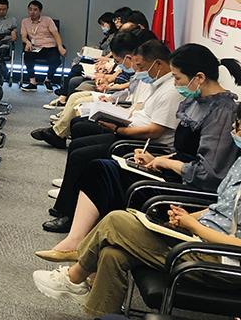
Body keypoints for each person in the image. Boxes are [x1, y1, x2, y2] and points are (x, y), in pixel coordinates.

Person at [32, 112, 241, 317]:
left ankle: (74, 276)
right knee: (113, 255)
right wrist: (187, 217)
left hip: (218, 260)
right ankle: (100, 312)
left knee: (116, 221)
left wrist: (195, 226)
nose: (233, 130)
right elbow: (221, 207)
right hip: (198, 237)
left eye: (238, 126)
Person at [41, 43, 241, 255]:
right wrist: (154, 158)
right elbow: (186, 150)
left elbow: (208, 174)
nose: (175, 84)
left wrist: (167, 163)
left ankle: (81, 247)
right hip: (176, 172)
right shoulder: (198, 101)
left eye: (177, 78)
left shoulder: (222, 112)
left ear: (199, 78)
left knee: (104, 172)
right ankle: (77, 241)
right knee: (100, 168)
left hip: (191, 187)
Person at [36, 40, 183, 246]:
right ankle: (66, 202)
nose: (138, 71)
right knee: (78, 142)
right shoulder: (158, 83)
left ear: (158, 64)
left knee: (82, 154)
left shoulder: (170, 90)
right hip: (131, 131)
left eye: (141, 66)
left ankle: (68, 214)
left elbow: (155, 131)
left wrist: (118, 129)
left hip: (140, 142)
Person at [33, 32, 143, 148]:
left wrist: (111, 95)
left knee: (79, 102)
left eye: (117, 61)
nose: (117, 64)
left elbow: (131, 94)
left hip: (122, 103)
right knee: (75, 97)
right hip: (116, 96)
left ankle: (57, 133)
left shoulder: (141, 72)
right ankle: (58, 132)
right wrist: (110, 93)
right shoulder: (135, 68)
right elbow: (128, 89)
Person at [20, 0, 66, 92]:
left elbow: (56, 34)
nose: (32, 12)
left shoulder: (47, 20)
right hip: (34, 47)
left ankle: (48, 80)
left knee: (56, 60)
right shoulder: (25, 21)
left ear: (40, 11)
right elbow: (23, 37)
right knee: (27, 56)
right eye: (30, 9)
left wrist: (60, 46)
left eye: (35, 10)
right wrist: (27, 42)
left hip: (49, 46)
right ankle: (33, 83)